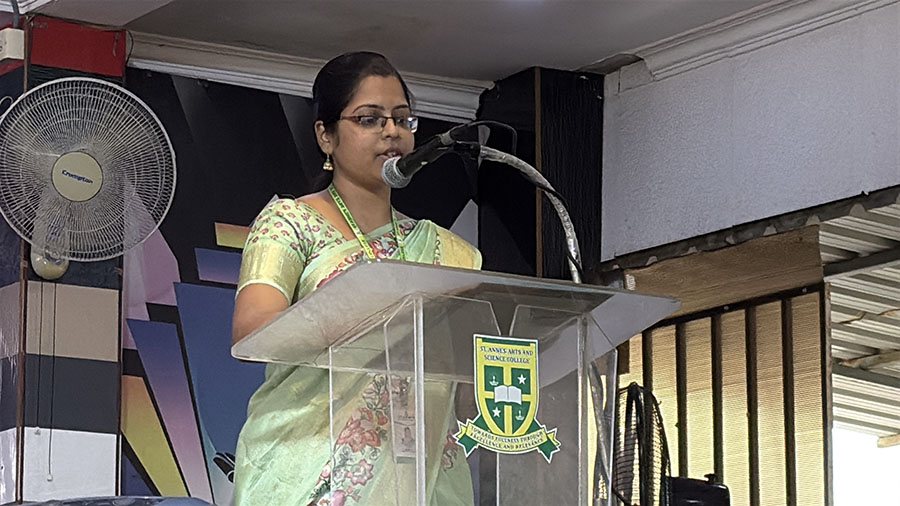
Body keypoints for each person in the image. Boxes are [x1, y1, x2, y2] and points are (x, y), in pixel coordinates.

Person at [231, 52, 481, 506]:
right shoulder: (290, 223)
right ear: (325, 136)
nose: (392, 131)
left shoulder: (448, 253)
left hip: (420, 473)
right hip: (308, 468)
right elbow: (252, 331)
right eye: (369, 119)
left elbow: (463, 388)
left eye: (402, 119)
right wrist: (371, 311)